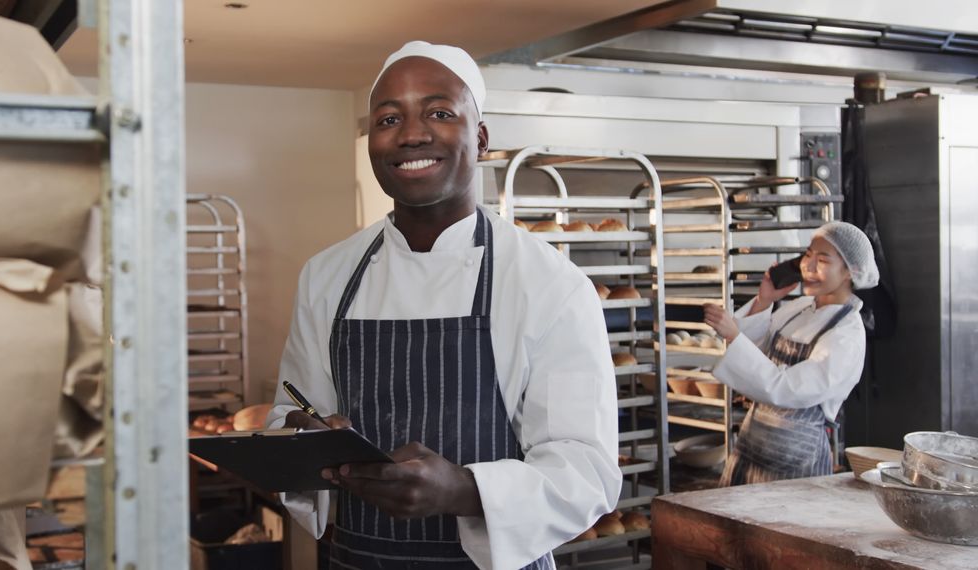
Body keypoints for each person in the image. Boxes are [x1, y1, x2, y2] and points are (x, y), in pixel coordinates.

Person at [266, 41, 621, 569]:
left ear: (479, 138)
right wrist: (300, 435)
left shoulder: (549, 282)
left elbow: (586, 470)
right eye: (389, 118)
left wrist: (465, 490)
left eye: (439, 112)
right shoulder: (327, 276)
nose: (411, 133)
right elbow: (290, 413)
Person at [703, 222, 879, 486]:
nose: (808, 266)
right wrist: (764, 300)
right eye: (807, 255)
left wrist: (733, 335)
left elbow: (787, 390)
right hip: (751, 448)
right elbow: (757, 353)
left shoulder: (846, 335)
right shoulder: (799, 307)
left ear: (850, 272)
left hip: (796, 460)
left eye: (822, 260)